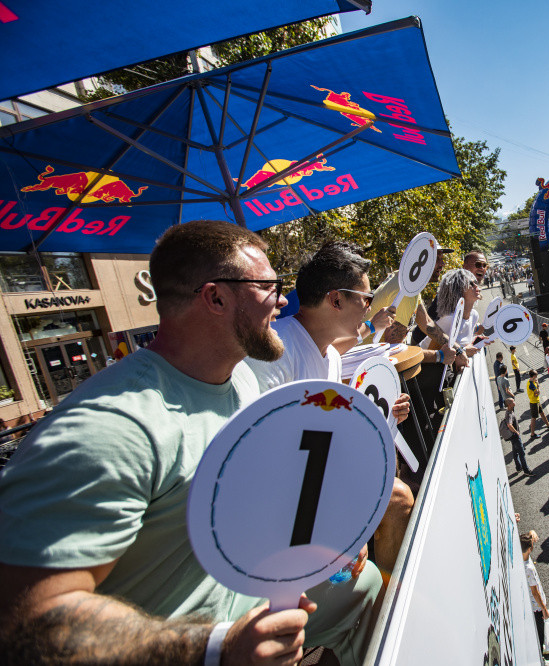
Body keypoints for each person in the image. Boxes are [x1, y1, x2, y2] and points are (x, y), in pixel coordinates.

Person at [0, 221, 380, 665]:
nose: (282, 300)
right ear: (216, 298)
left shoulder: (242, 380)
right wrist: (216, 647)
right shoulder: (111, 427)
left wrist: (325, 531)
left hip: (249, 595)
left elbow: (264, 489)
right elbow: (25, 621)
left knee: (366, 588)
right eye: (269, 287)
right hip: (174, 643)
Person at [243, 240, 413, 572]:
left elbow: (325, 431)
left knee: (399, 495)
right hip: (280, 514)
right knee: (398, 497)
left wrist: (380, 416)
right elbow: (266, 462)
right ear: (335, 300)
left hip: (313, 485)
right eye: (366, 298)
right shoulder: (275, 352)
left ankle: (386, 593)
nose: (370, 308)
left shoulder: (331, 356)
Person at [521, 531, 549, 661]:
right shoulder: (528, 568)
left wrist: (531, 534)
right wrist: (544, 609)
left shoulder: (520, 557)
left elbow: (526, 537)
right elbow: (535, 592)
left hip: (528, 604)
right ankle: (541, 658)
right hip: (536, 607)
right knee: (539, 634)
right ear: (529, 549)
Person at [502, 398, 532, 476]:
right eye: (513, 402)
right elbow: (509, 424)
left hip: (513, 437)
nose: (514, 402)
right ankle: (526, 470)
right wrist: (516, 432)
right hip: (515, 436)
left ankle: (518, 467)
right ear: (509, 405)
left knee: (515, 452)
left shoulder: (509, 411)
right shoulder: (509, 414)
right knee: (521, 453)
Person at [526, 369, 549, 438]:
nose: (537, 376)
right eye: (536, 375)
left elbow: (536, 393)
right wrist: (538, 385)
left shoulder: (531, 381)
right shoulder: (532, 384)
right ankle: (532, 434)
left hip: (536, 401)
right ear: (533, 376)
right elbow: (537, 393)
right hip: (534, 402)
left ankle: (548, 425)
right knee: (534, 418)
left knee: (542, 413)